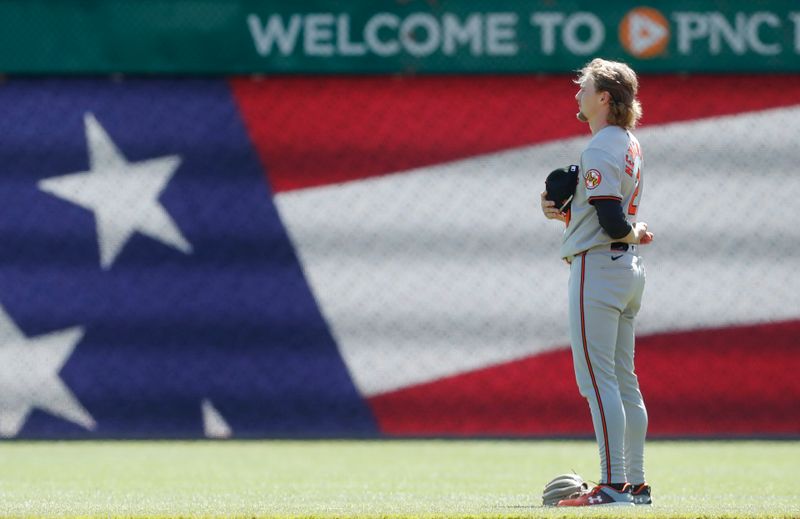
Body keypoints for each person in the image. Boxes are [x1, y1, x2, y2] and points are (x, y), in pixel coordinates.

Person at [540, 58, 654, 507]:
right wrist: (568, 212)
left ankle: (611, 485)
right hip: (626, 271)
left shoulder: (600, 147)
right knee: (625, 380)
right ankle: (636, 483)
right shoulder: (627, 143)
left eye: (583, 88)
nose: (577, 95)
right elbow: (602, 207)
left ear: (604, 97)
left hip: (598, 269)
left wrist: (630, 229)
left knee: (597, 380)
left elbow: (611, 219)